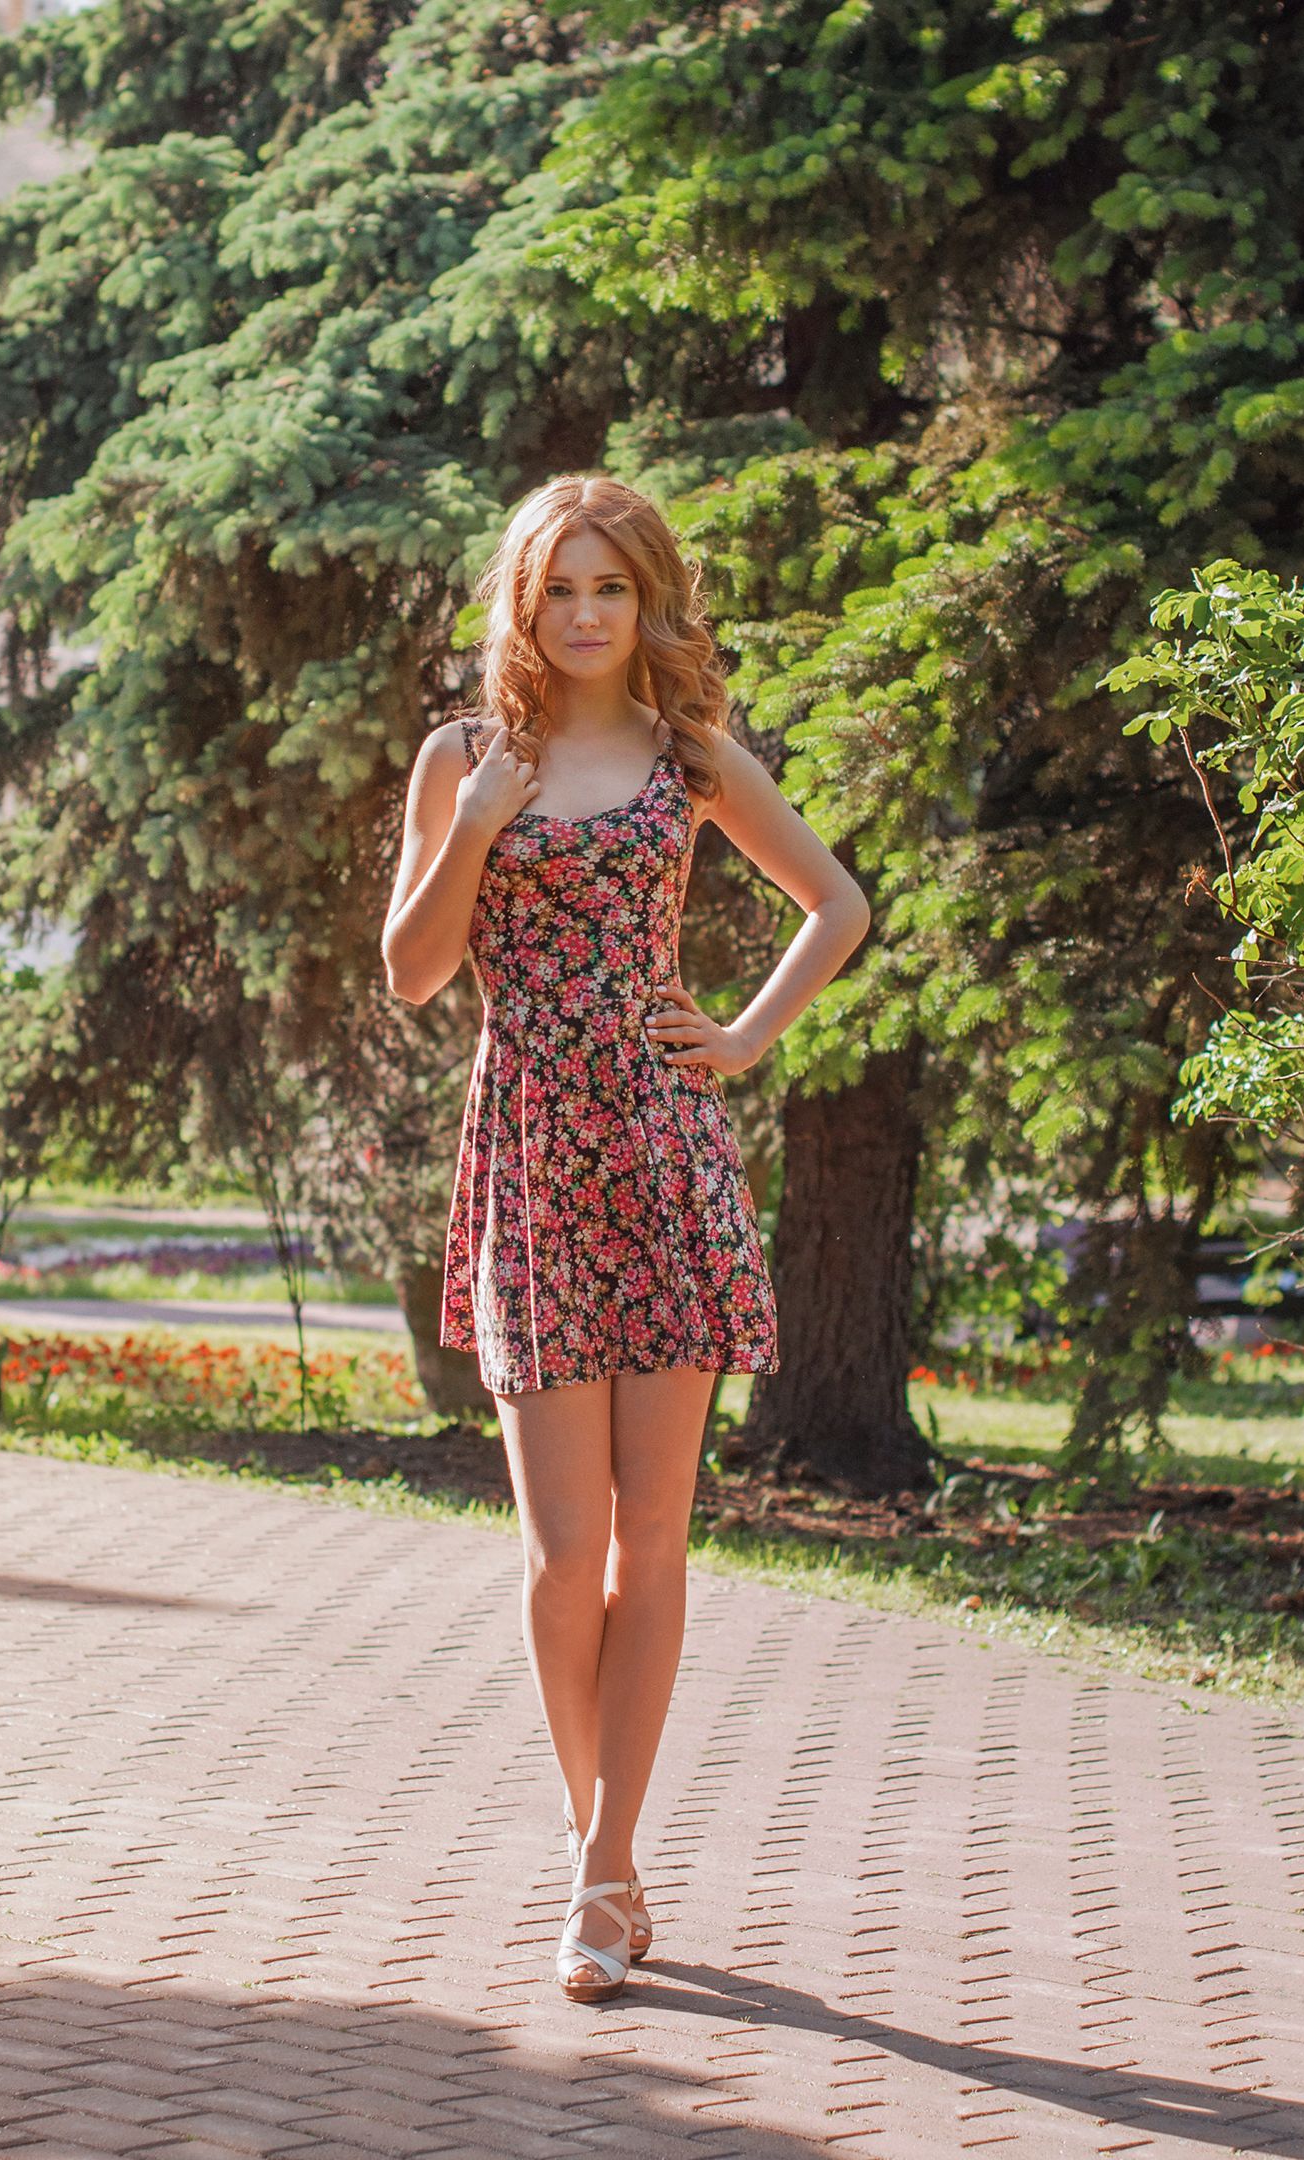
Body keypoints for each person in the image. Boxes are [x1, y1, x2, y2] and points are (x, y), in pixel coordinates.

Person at [381, 473, 870, 2002]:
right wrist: (474, 827)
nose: (586, 613)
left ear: (648, 599)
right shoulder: (464, 758)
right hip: (531, 1161)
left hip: (665, 1160)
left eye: (611, 587)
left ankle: (605, 1864)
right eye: (560, 588)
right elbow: (413, 971)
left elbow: (837, 905)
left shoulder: (690, 754)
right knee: (558, 1558)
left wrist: (741, 1037)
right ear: (520, 603)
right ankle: (592, 1834)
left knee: (651, 1538)